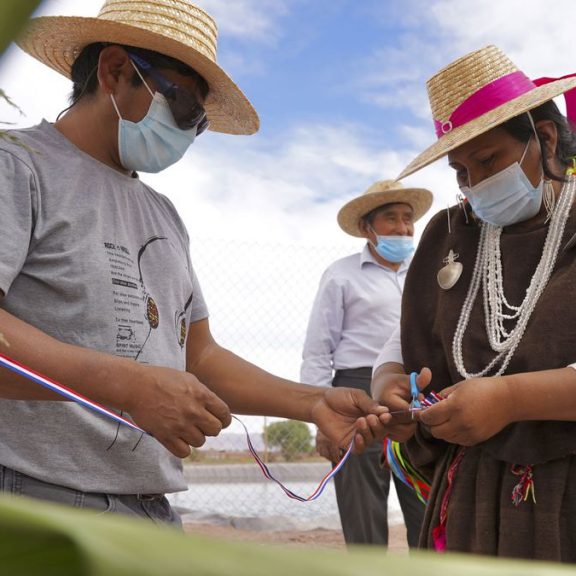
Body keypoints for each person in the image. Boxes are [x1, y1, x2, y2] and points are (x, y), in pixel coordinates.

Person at [0, 0, 391, 525]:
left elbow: (198, 357)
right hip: (34, 497)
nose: (187, 132)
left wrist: (314, 402)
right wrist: (129, 385)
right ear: (116, 70)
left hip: (148, 505)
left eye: (199, 123)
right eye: (184, 108)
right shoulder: (19, 167)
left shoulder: (163, 215)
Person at [372, 44, 576, 562]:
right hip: (468, 497)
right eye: (460, 171)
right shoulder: (449, 233)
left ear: (545, 139)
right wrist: (390, 386)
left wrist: (510, 400)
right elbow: (401, 345)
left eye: (488, 160)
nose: (475, 185)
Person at [301, 180, 431, 546]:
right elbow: (317, 350)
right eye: (391, 218)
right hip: (354, 393)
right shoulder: (340, 275)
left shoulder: (426, 272)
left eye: (408, 219)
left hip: (414, 395)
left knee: (426, 503)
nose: (403, 228)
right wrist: (319, 416)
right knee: (362, 507)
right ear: (366, 228)